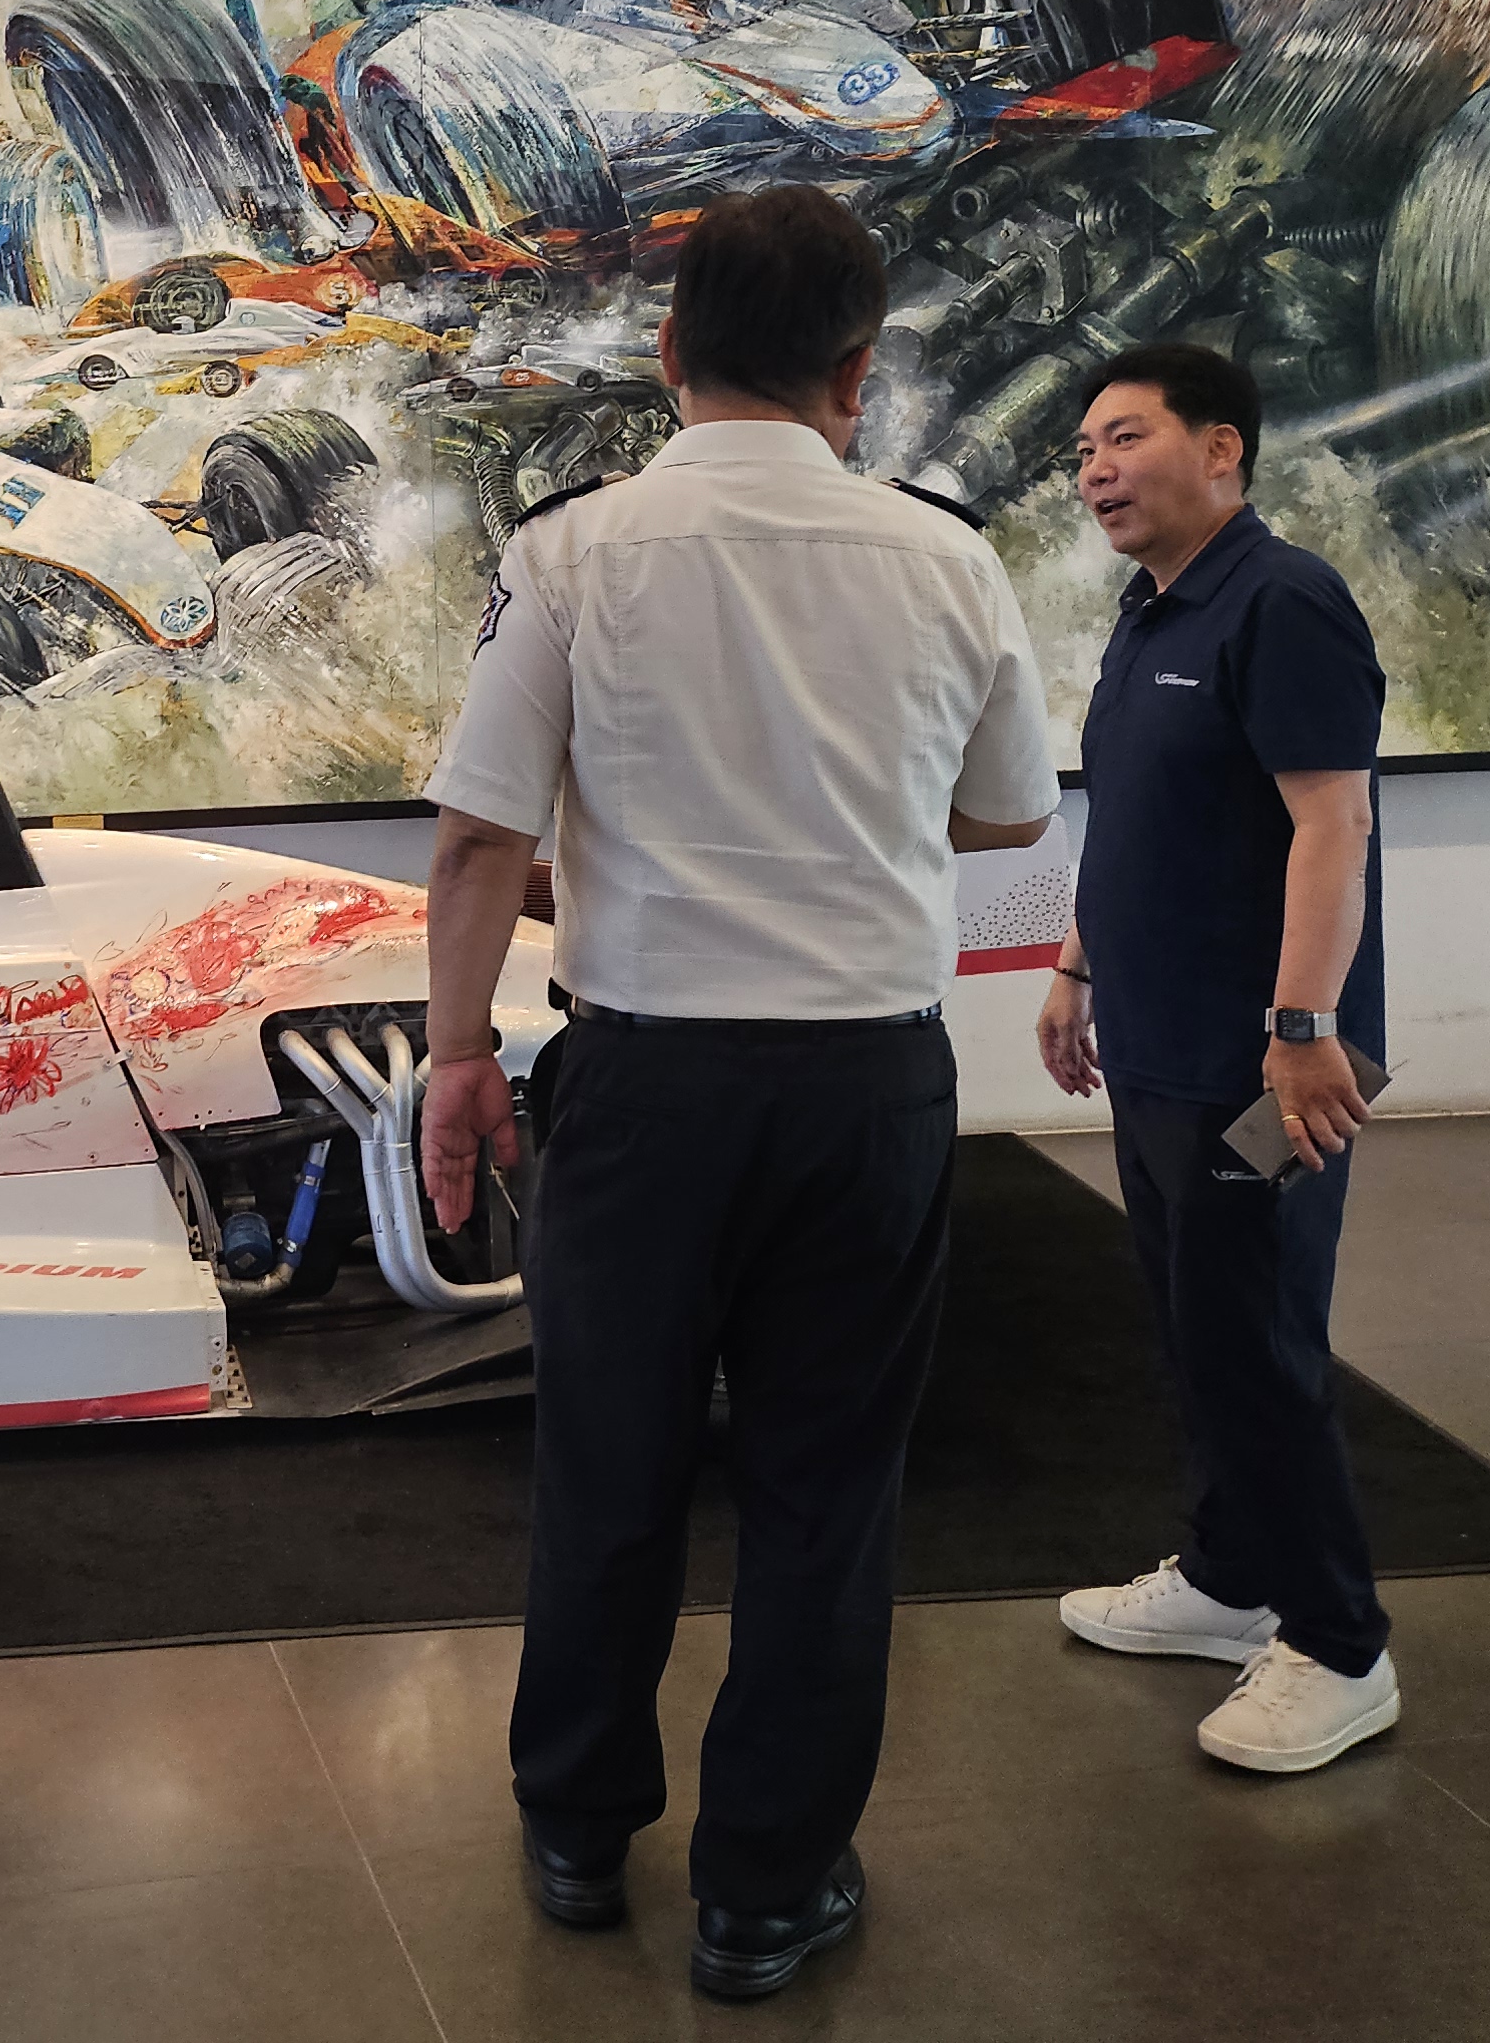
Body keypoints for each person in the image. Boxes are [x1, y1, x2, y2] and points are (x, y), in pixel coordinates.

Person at [415, 183, 1059, 2003]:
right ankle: (767, 1891)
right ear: (859, 375)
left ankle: (574, 1823)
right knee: (825, 1489)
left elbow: (478, 839)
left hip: (644, 1084)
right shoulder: (947, 560)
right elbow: (1008, 811)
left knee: (607, 1462)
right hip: (865, 1087)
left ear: (669, 352)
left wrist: (457, 1058)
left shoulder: (574, 552)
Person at [1033, 341, 1399, 1776]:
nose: (1096, 471)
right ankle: (1232, 1576)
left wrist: (1303, 1031)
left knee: (1257, 1340)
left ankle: (1342, 1643)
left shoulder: (1283, 599)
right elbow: (1134, 817)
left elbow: (1333, 824)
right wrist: (1076, 968)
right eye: (1083, 452)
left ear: (1222, 449)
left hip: (1267, 1071)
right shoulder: (1150, 612)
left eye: (1125, 438)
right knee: (1196, 1327)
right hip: (1160, 1048)